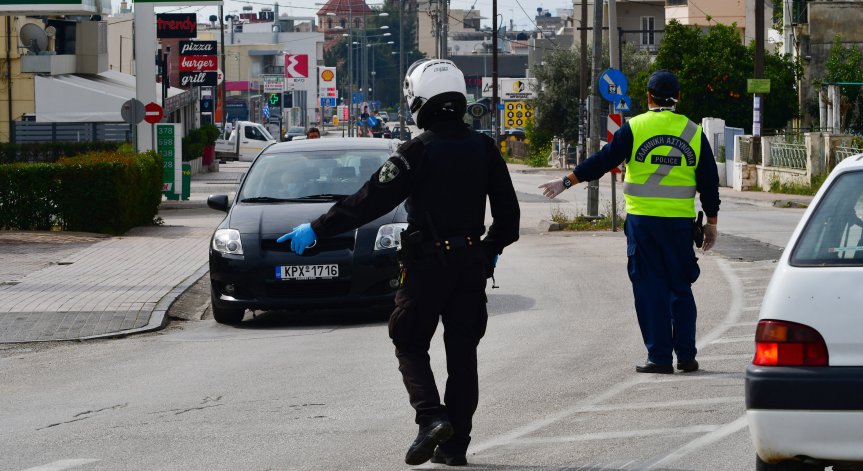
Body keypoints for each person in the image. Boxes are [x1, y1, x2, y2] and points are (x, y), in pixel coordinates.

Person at [277, 59, 520, 466]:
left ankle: (431, 418)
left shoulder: (416, 151)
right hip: (469, 265)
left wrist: (318, 229)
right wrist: (488, 251)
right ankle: (455, 447)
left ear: (419, 100)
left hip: (427, 266)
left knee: (408, 340)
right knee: (463, 356)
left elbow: (369, 200)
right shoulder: (484, 148)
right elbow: (509, 218)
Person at [539, 69, 720, 375]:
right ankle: (686, 356)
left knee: (650, 289)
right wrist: (711, 223)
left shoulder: (634, 128)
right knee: (680, 288)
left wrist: (566, 181)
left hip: (644, 225)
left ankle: (659, 358)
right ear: (678, 97)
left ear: (648, 97)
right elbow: (710, 183)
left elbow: (602, 161)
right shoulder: (694, 132)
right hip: (679, 226)